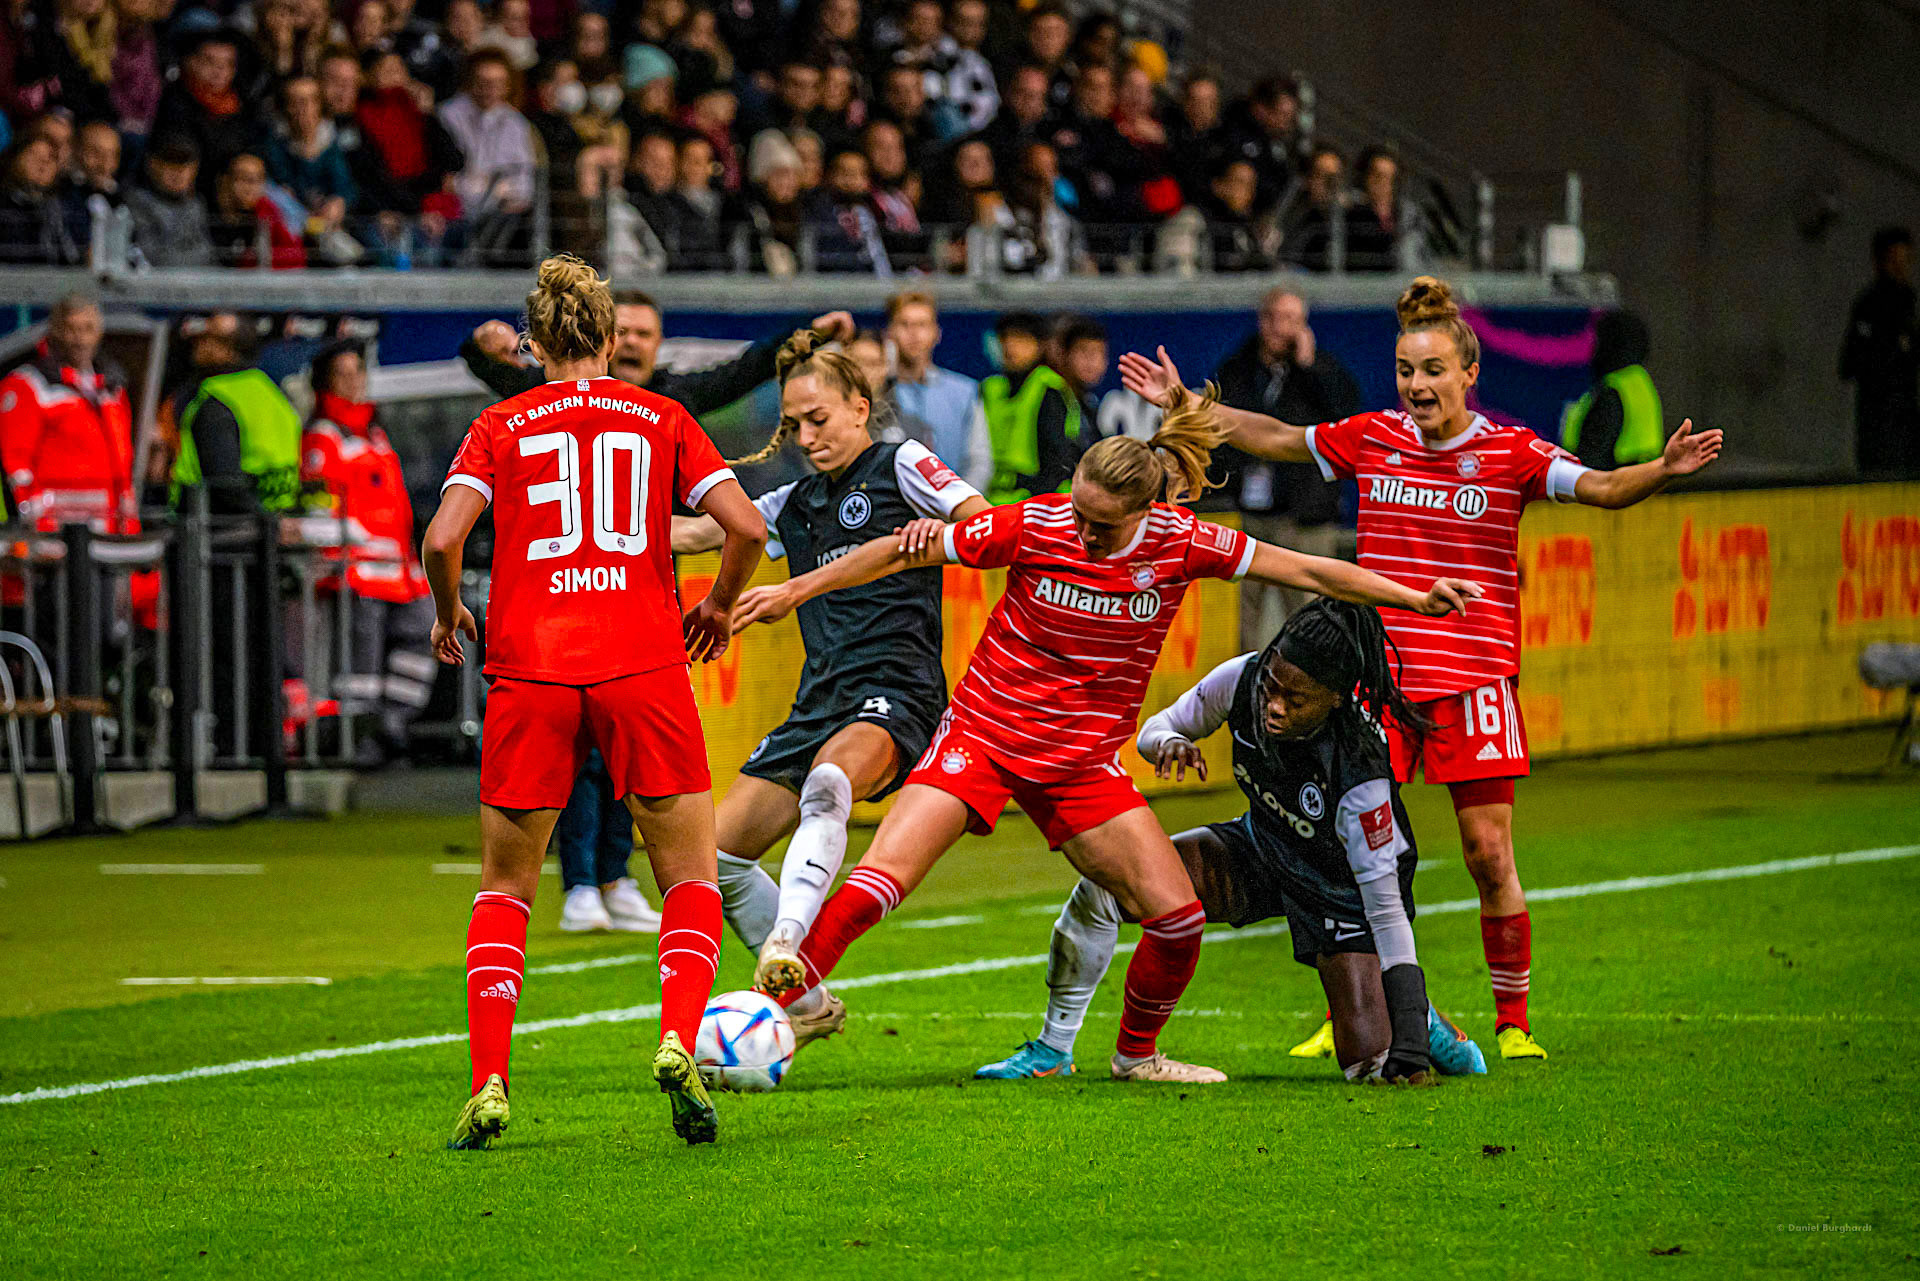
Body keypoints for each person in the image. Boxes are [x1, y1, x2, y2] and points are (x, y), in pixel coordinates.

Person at [731, 384, 1480, 1083]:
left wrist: (1416, 595)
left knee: (1179, 919)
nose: (1079, 530)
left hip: (1081, 762)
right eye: (1077, 510)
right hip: (985, 734)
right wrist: (793, 589)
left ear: (1147, 508)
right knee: (880, 878)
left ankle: (1135, 1058)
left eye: (1100, 522)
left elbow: (1313, 570)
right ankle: (780, 1016)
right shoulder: (1036, 521)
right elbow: (902, 547)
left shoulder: (1185, 543)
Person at [1120, 275, 1724, 1061]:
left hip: (1472, 679)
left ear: (1469, 374)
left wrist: (1664, 470)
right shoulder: (1373, 436)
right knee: (1347, 850)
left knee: (1487, 852)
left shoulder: (1511, 452)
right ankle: (1357, 1004)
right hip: (1377, 681)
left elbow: (1604, 487)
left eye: (1433, 370)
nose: (1417, 385)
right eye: (1407, 370)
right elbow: (1270, 435)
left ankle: (1513, 1021)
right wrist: (1183, 405)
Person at [425, 254, 768, 1150]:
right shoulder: (661, 415)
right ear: (615, 340)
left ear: (535, 344)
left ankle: (491, 1083)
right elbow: (749, 528)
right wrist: (721, 603)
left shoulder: (499, 422)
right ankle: (674, 1037)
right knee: (688, 873)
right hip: (641, 661)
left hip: (530, 666)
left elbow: (441, 537)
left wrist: (449, 607)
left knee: (507, 884)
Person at [460, 294, 855, 934]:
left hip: (614, 617)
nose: (636, 342)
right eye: (627, 330)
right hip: (589, 628)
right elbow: (747, 524)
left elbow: (747, 368)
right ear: (607, 339)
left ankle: (613, 878)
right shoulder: (630, 409)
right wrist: (479, 347)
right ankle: (582, 883)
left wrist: (804, 333)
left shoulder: (657, 401)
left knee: (625, 775)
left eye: (647, 332)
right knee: (586, 765)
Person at [976, 600, 1487, 1083]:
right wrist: (1170, 744)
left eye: (1295, 699)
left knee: (1373, 1068)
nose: (1275, 706)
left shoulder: (1360, 778)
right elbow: (1158, 727)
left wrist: (1411, 1037)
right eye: (1272, 687)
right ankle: (1054, 1050)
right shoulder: (1243, 678)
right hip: (1261, 848)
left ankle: (1430, 1022)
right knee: (1107, 887)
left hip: (1343, 893)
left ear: (1335, 698)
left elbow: (1387, 914)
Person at [670, 329, 989, 1050]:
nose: (806, 437)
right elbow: (696, 535)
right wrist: (598, 531)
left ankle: (788, 944)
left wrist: (935, 533)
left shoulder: (901, 462)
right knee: (713, 858)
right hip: (821, 696)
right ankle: (808, 1001)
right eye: (793, 425)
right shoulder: (796, 499)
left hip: (896, 691)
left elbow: (979, 520)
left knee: (829, 781)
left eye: (819, 420)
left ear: (859, 406)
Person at [299, 341, 437, 764]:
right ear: (326, 382)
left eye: (357, 371)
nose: (354, 381)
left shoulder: (373, 433)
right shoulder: (324, 435)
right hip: (356, 572)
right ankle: (359, 740)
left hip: (399, 571)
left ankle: (393, 725)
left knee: (423, 636)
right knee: (360, 669)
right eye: (343, 373)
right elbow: (321, 507)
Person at [1210, 287, 1361, 645]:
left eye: (1292, 320)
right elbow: (1220, 429)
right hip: (1252, 517)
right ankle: (1249, 693)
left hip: (1305, 519)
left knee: (1310, 623)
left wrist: (1310, 367)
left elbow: (1345, 420)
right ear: (1262, 321)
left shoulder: (1323, 370)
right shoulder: (1238, 368)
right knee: (1248, 624)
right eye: (1276, 318)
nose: (1283, 328)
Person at [0, 293, 137, 534]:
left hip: (107, 525)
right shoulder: (28, 384)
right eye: (71, 329)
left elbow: (123, 459)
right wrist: (30, 517)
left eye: (88, 328)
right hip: (52, 528)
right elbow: (15, 461)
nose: (80, 339)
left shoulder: (110, 389)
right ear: (56, 332)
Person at [1839, 226, 1919, 475]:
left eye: (1904, 260)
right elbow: (1850, 364)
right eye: (1894, 260)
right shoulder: (1870, 305)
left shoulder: (1908, 304)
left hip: (1904, 420)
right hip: (1879, 423)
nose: (1901, 268)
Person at [883, 289, 985, 486]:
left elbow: (979, 462)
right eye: (905, 324)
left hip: (954, 511)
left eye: (922, 324)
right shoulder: (875, 392)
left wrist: (956, 508)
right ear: (890, 332)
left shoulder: (964, 391)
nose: (914, 333)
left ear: (936, 333)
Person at [981, 310, 1082, 503]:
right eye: (1005, 339)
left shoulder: (1049, 388)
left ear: (1040, 345)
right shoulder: (990, 388)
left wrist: (1038, 499)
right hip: (995, 497)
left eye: (1021, 339)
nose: (1011, 347)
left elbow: (1058, 459)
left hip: (1040, 501)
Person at [1562, 309, 1665, 468]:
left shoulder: (1614, 391)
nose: (1593, 347)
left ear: (1611, 343)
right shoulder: (1639, 383)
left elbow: (1594, 456)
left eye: (1598, 340)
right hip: (1642, 482)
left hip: (1615, 483)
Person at [125, 134, 216, 268]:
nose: (178, 172)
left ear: (194, 169)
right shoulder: (137, 202)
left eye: (184, 164)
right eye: (170, 163)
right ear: (153, 164)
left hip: (198, 285)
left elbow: (211, 257)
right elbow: (154, 259)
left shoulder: (197, 205)